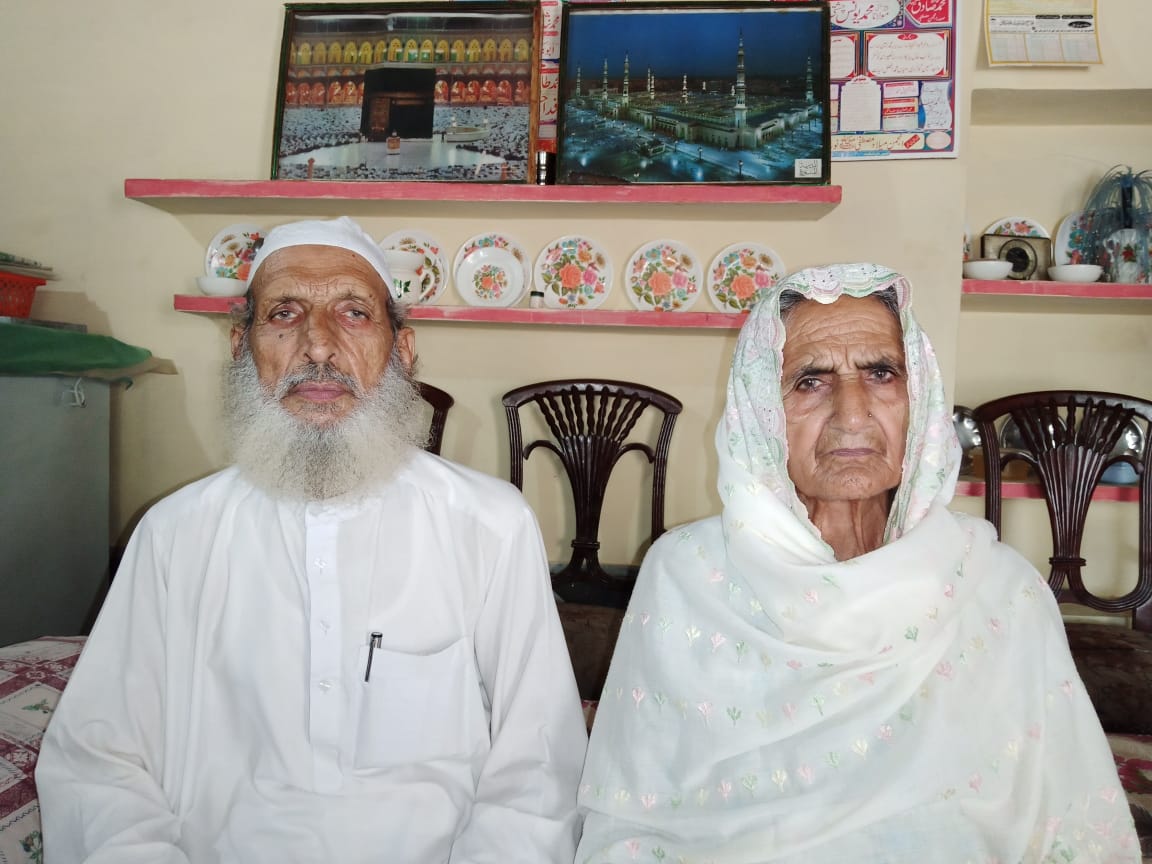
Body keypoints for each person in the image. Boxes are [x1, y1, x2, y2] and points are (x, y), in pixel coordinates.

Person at [36, 216, 588, 863]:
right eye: (285, 313)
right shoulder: (176, 533)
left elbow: (538, 764)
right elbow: (99, 760)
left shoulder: (491, 524)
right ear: (242, 346)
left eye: (354, 313)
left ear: (402, 351)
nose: (319, 346)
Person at [575, 263, 1138, 863]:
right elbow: (633, 812)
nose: (851, 414)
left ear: (918, 401)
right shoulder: (689, 574)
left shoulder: (1000, 589)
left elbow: (1074, 820)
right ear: (760, 413)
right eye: (810, 382)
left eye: (881, 374)